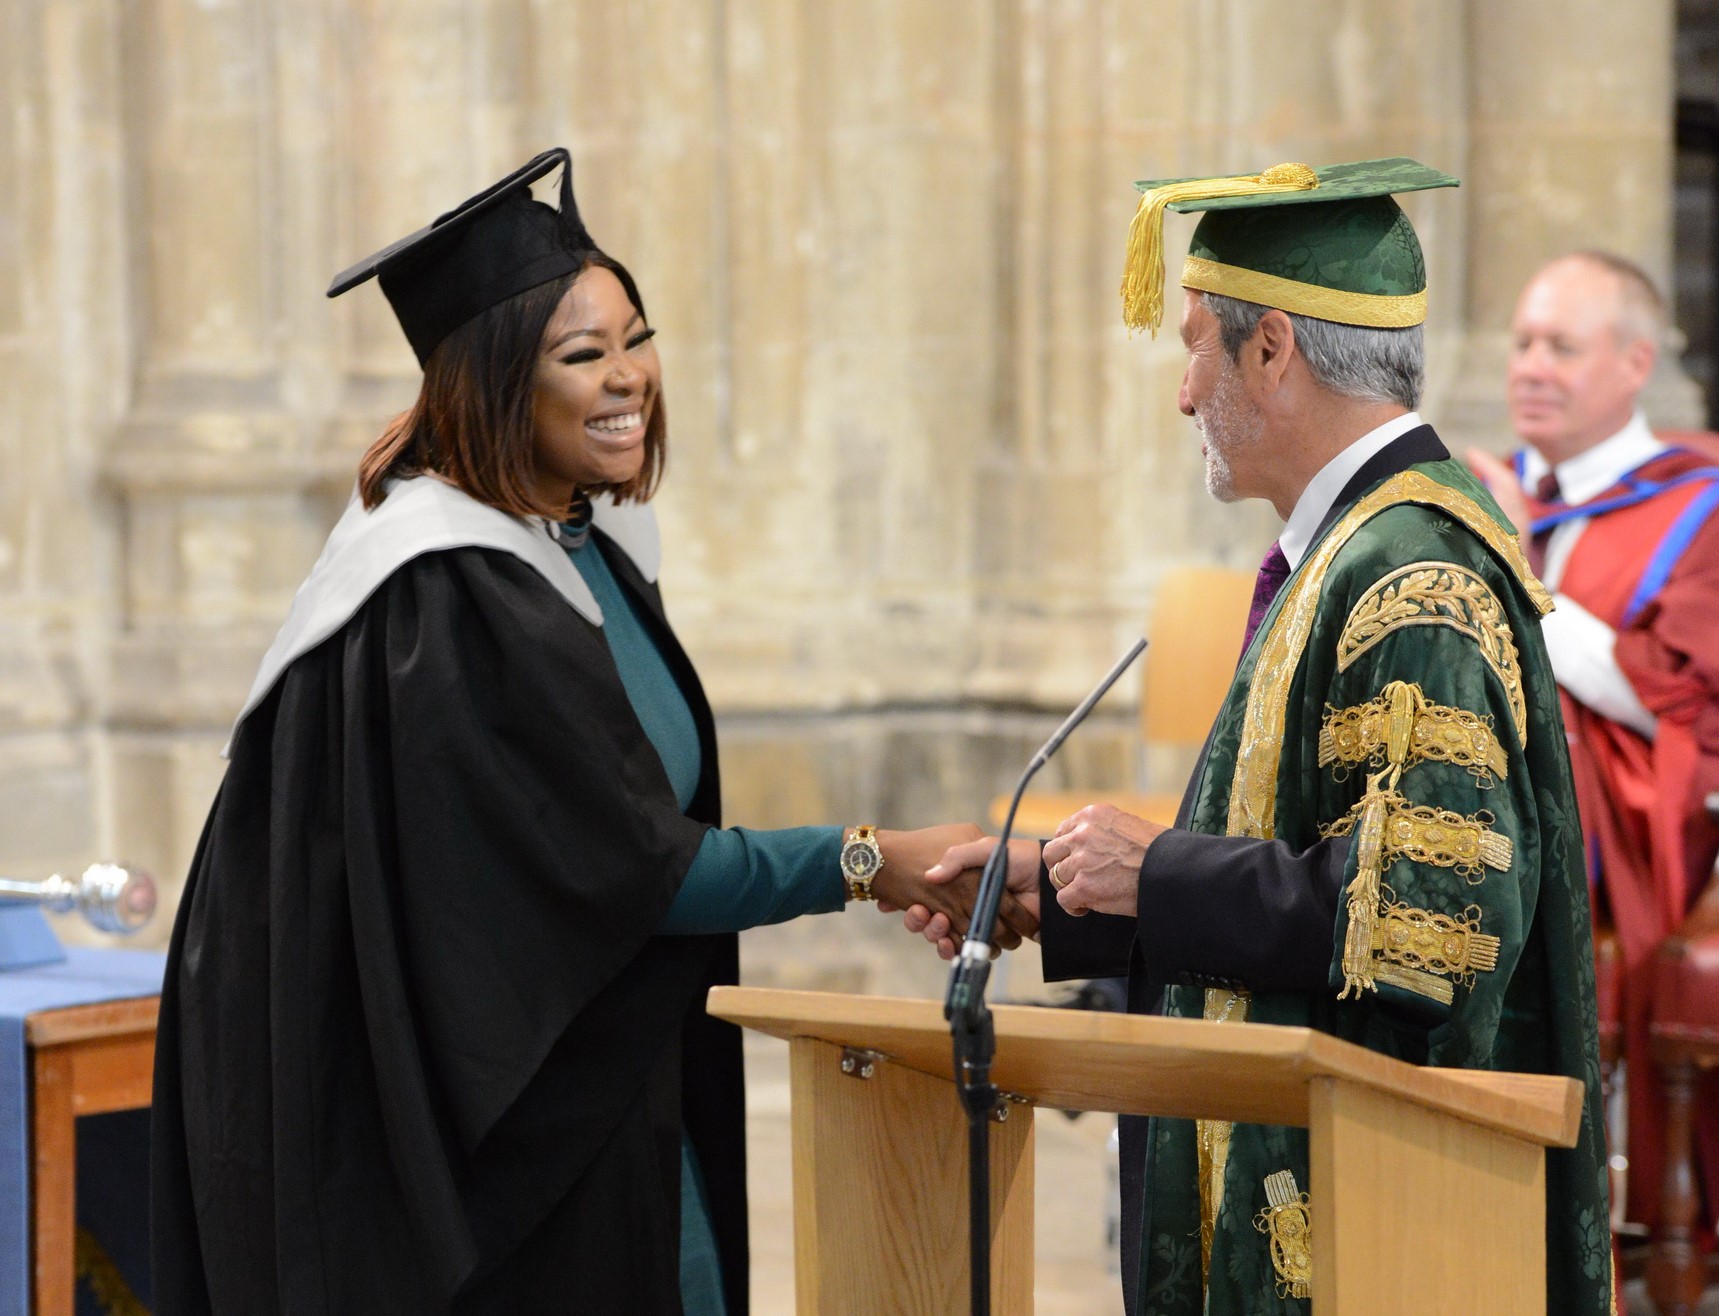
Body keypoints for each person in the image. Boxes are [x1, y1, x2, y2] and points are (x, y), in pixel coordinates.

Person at [149, 149, 1029, 1315]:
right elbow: (635, 865)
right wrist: (870, 860)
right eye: (582, 354)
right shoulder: (447, 596)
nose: (629, 378)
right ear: (494, 381)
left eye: (637, 338)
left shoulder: (575, 546)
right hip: (464, 1141)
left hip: (592, 1067)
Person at [909, 159, 1612, 1313]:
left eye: (1195, 346)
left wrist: (1156, 872)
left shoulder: (1414, 576)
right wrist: (1071, 888)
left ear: (1273, 348)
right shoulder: (1346, 549)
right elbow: (1294, 850)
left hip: (1380, 1216)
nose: (1184, 395)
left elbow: (1431, 925)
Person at [1465, 250, 1719, 1237]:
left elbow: (1676, 703)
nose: (1531, 366)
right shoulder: (1492, 488)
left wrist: (1517, 567)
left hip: (1634, 830)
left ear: (1634, 363)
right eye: (1523, 342)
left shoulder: (1698, 506)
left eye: (1561, 347)